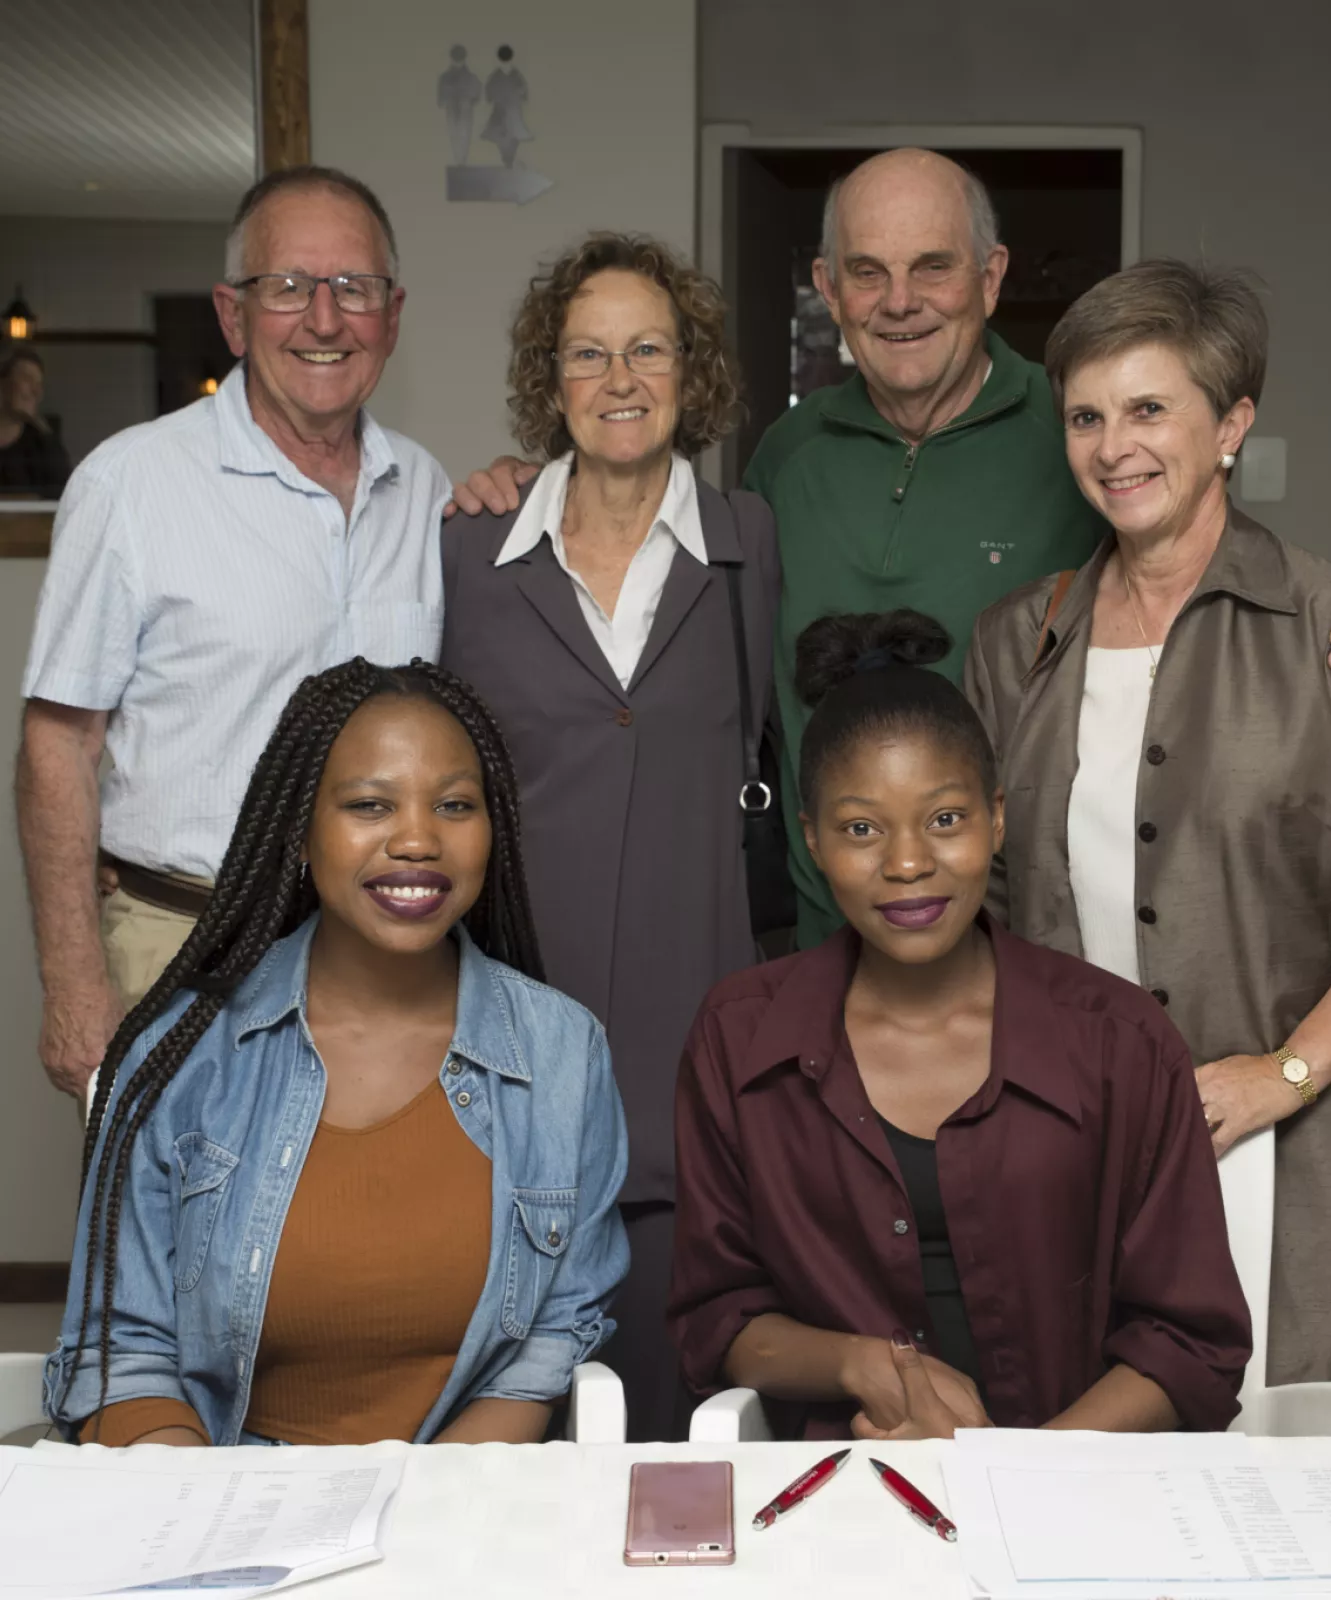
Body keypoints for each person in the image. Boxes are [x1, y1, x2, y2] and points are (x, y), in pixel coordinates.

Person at [449, 150, 1331, 949]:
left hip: (1019, 939)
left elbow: (1197, 551)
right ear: (827, 289)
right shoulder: (785, 458)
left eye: (933, 267)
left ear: (990, 278)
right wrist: (539, 486)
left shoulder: (1075, 434)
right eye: (867, 272)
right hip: (818, 941)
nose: (900, 300)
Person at [964, 260, 1331, 1394]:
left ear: (1231, 427)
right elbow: (993, 908)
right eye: (1087, 417)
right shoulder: (1015, 644)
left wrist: (1284, 1073)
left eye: (1150, 409)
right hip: (1084, 1154)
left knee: (1303, 1466)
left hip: (1304, 1157)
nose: (1115, 448)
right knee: (1100, 1461)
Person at [666, 610, 1250, 1441]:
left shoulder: (1119, 1040)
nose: (907, 863)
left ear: (996, 818)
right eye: (861, 829)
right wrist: (862, 1364)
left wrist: (1017, 1476)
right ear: (812, 842)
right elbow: (715, 1317)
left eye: (945, 819)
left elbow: (1193, 1345)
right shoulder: (738, 1037)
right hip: (849, 1489)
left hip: (1079, 1492)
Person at [46, 659, 628, 1447]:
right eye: (369, 805)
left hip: (457, 1498)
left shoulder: (563, 1052)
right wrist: (216, 1506)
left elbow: (549, 1342)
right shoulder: (179, 1054)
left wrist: (422, 1501)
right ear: (299, 830)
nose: (417, 839)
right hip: (214, 1488)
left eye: (455, 805)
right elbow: (123, 1351)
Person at [441, 232, 777, 1442]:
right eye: (588, 353)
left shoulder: (749, 543)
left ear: (692, 370)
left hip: (695, 1029)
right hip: (514, 1024)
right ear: (551, 377)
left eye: (648, 349)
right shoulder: (466, 552)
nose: (619, 379)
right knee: (505, 1394)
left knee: (673, 1397)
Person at [18, 165, 450, 1101]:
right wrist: (74, 984)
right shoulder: (131, 485)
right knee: (168, 1202)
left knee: (371, 1201)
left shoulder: (428, 491)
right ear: (233, 314)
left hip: (383, 963)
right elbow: (58, 743)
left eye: (354, 288)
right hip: (183, 951)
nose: (325, 320)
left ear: (392, 314)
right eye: (287, 286)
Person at [0, 341, 72, 495]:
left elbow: (66, 498)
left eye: (39, 384)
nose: (36, 391)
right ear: (3, 384)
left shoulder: (45, 448)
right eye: (27, 379)